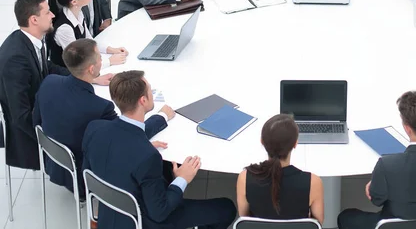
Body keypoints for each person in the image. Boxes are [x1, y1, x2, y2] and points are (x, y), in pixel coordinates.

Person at [83, 70, 236, 229]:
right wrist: (182, 179)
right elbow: (160, 213)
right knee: (226, 208)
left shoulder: (94, 128)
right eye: (150, 89)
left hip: (109, 210)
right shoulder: (147, 156)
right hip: (144, 221)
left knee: (165, 168)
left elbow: (92, 167)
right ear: (143, 100)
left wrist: (156, 124)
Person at [33, 39, 174, 198]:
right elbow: (127, 137)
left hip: (54, 163)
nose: (102, 60)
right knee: (163, 167)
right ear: (91, 69)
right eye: (100, 57)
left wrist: (93, 79)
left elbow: (36, 120)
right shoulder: (99, 107)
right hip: (85, 178)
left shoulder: (49, 82)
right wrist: (161, 116)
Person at [337, 91, 416, 229]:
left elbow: (376, 199)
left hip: (393, 224)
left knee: (346, 216)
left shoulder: (388, 165)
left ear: (407, 128)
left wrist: (375, 185)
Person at [0, 0, 70, 170]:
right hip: (28, 132)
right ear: (34, 20)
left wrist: (81, 75)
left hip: (42, 106)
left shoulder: (34, 38)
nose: (53, 15)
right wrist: (52, 140)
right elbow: (20, 116)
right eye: (47, 12)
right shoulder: (15, 59)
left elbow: (45, 67)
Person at [236, 114, 324, 224]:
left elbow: (245, 218)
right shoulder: (313, 182)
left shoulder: (244, 178)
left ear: (262, 141)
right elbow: (317, 222)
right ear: (295, 144)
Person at [47, 0, 128, 69]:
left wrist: (111, 50)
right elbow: (79, 61)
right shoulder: (65, 29)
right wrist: (109, 61)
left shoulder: (78, 12)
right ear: (74, 2)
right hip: (69, 73)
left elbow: (89, 41)